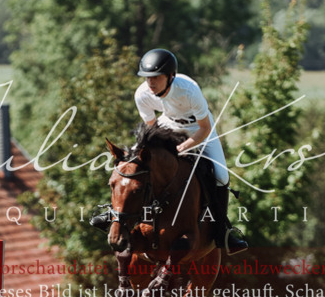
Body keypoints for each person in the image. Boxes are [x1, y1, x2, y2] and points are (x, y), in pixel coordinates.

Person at [92, 48, 248, 255]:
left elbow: (204, 129)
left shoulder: (189, 89)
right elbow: (152, 128)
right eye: (148, 78)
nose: (151, 83)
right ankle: (114, 214)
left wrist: (182, 148)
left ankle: (222, 231)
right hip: (168, 125)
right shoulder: (142, 94)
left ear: (171, 76)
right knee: (131, 165)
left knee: (221, 175)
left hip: (199, 128)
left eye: (156, 77)